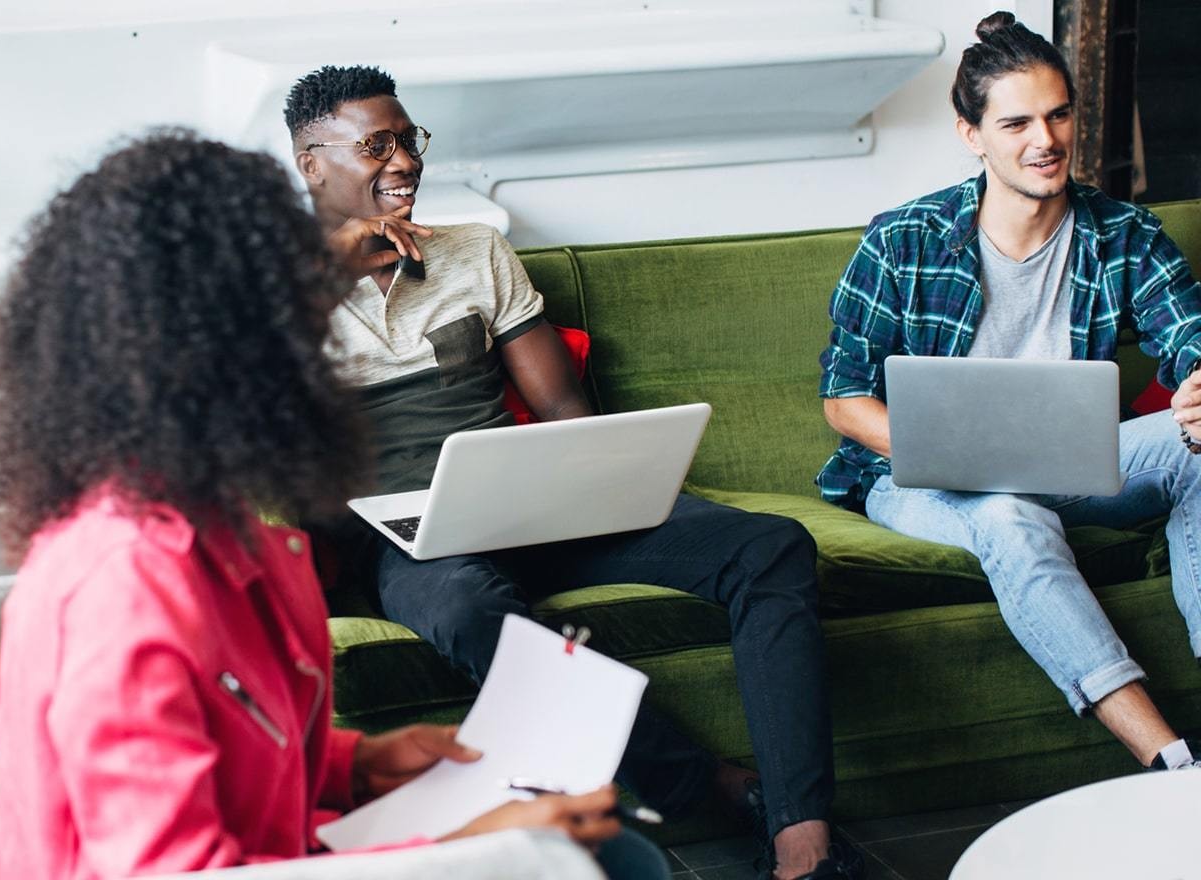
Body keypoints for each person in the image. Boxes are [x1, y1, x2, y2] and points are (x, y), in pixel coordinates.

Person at [0, 131, 667, 879]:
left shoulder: (213, 514)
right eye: (296, 312)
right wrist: (469, 847)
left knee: (613, 852)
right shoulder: (126, 587)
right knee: (606, 861)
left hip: (285, 848)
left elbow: (227, 742)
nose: (316, 343)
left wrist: (356, 763)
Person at [286, 66, 862, 880]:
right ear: (312, 163)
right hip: (413, 538)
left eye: (409, 140)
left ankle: (803, 840)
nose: (406, 161)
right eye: (377, 145)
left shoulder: (475, 252)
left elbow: (561, 407)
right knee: (466, 610)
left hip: (536, 497)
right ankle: (709, 786)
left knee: (769, 546)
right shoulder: (264, 296)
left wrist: (595, 480)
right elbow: (232, 403)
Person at [819, 12, 1201, 774]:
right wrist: (951, 449)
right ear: (973, 134)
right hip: (923, 478)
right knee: (1008, 512)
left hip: (1074, 463)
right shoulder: (904, 239)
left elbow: (1187, 332)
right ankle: (1173, 763)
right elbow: (844, 397)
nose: (1046, 140)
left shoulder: (1123, 232)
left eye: (1059, 114)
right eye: (1018, 121)